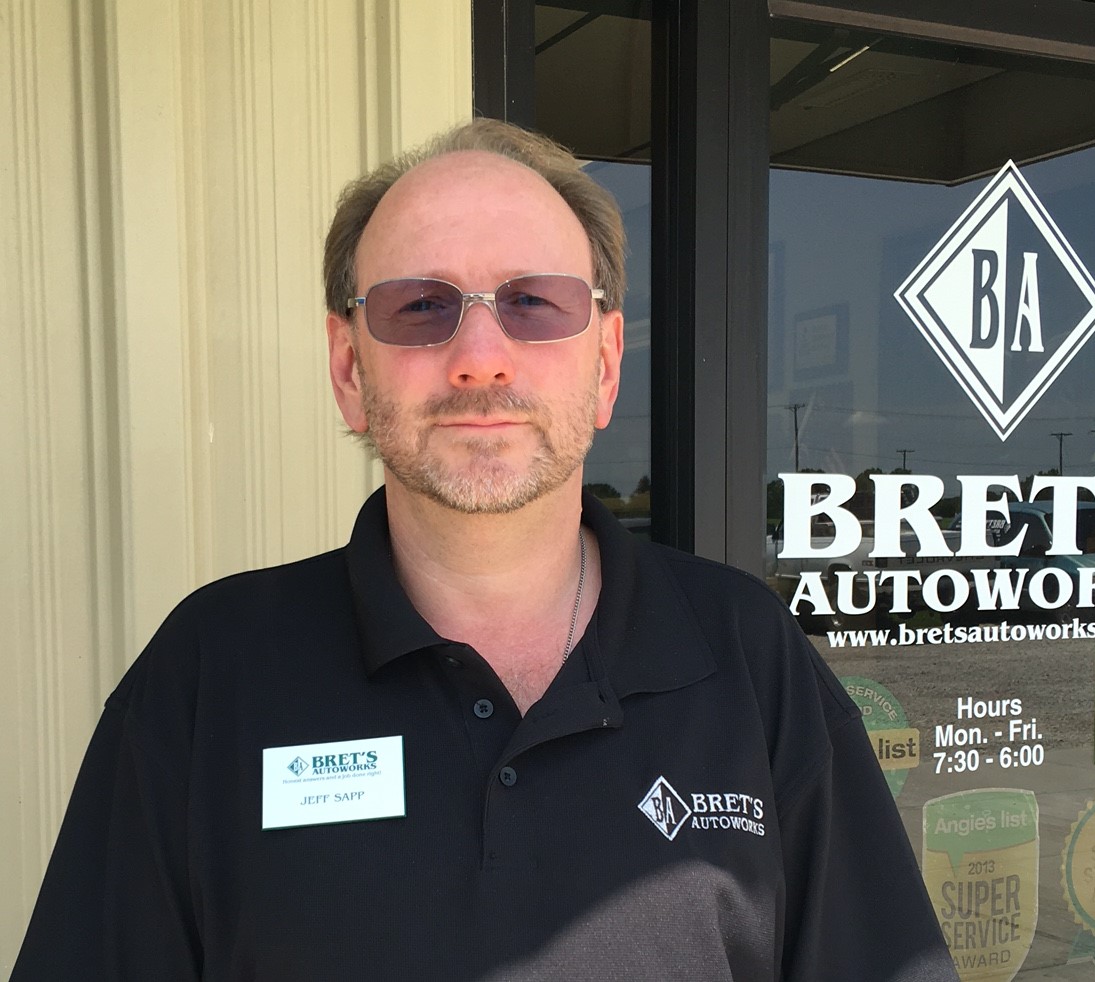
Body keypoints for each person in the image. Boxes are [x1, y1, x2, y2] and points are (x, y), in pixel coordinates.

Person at [13, 118, 957, 981]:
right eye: (420, 306)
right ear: (348, 369)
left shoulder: (746, 653)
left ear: (605, 364)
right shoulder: (209, 670)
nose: (479, 356)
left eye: (533, 302)